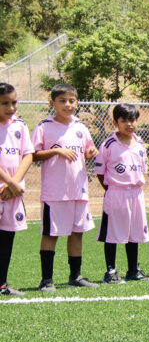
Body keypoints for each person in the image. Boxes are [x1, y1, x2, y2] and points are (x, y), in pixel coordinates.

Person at [32, 83, 100, 292]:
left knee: (77, 233)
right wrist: (56, 151)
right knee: (51, 234)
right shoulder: (44, 126)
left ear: (77, 103)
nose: (68, 105)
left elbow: (89, 149)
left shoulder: (80, 127)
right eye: (62, 101)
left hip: (78, 191)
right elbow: (33, 154)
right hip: (55, 192)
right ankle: (46, 280)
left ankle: (75, 276)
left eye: (71, 101)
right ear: (52, 103)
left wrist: (91, 151)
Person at [94, 104, 149, 284]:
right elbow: (100, 171)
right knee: (112, 233)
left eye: (132, 120)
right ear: (115, 122)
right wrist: (112, 188)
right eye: (124, 121)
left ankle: (133, 269)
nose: (129, 124)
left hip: (136, 193)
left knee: (133, 232)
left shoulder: (140, 142)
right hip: (116, 193)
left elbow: (142, 168)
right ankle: (110, 271)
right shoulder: (109, 144)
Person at [0, 83, 34, 296]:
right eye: (5, 103)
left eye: (14, 102)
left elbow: (28, 154)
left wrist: (15, 182)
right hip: (7, 187)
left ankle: (2, 284)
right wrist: (9, 182)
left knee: (6, 239)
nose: (11, 107)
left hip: (12, 192)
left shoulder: (20, 126)